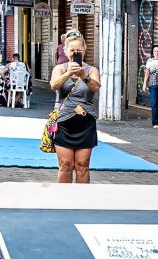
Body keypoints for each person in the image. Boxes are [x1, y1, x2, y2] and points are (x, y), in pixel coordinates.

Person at [49, 34, 102, 183]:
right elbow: (54, 85)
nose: (75, 53)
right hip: (63, 121)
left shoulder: (91, 70)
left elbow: (96, 87)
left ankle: (83, 202)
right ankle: (64, 201)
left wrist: (84, 76)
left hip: (85, 122)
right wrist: (69, 73)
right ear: (65, 51)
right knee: (65, 165)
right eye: (72, 50)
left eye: (79, 50)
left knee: (82, 165)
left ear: (84, 50)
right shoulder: (60, 68)